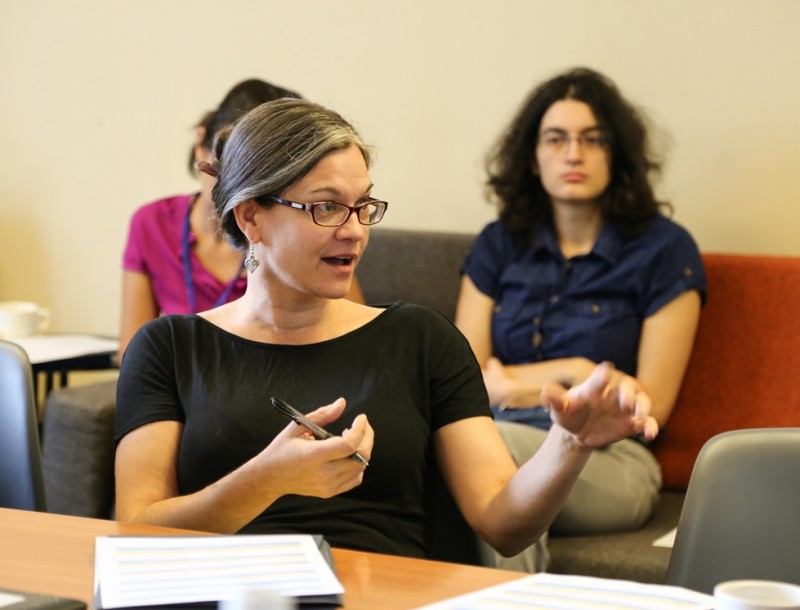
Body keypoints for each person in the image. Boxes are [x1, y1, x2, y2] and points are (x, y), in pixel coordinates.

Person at [115, 98, 659, 566]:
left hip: (384, 606)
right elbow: (135, 532)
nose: (354, 231)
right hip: (225, 604)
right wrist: (264, 480)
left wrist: (569, 444)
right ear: (251, 216)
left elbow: (504, 525)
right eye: (327, 207)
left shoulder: (421, 339)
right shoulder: (169, 348)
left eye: (363, 206)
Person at [455, 68, 706, 536]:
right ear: (533, 157)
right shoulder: (498, 244)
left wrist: (520, 385)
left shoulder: (665, 250)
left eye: (593, 139)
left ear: (617, 154)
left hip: (611, 454)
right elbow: (462, 383)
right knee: (465, 455)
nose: (573, 153)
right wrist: (574, 374)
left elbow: (650, 405)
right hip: (496, 434)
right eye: (555, 139)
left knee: (480, 461)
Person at [118, 79, 365, 360]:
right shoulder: (152, 224)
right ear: (202, 144)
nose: (241, 181)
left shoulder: (299, 239)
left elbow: (354, 343)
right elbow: (133, 353)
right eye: (232, 158)